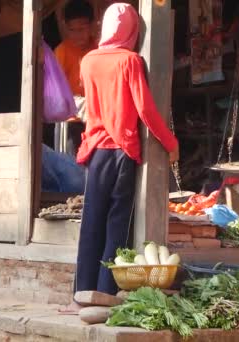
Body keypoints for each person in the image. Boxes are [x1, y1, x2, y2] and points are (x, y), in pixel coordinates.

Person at [60, 3, 179, 314]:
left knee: (91, 224)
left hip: (95, 151)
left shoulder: (88, 60)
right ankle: (104, 292)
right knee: (117, 225)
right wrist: (170, 142)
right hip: (121, 152)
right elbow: (146, 111)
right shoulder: (131, 61)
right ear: (131, 30)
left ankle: (80, 294)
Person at [54, 0, 97, 155]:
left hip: (96, 120)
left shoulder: (98, 48)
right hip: (71, 121)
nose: (77, 35)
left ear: (92, 25)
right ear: (65, 26)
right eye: (72, 30)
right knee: (70, 167)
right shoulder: (61, 52)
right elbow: (57, 91)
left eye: (82, 29)